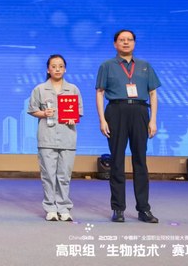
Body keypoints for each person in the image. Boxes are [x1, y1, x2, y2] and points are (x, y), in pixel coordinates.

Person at [96, 29, 161, 223]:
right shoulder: (107, 66)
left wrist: (153, 120)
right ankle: (118, 209)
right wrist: (102, 119)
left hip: (140, 111)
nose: (126, 42)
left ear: (134, 43)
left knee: (140, 160)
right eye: (122, 40)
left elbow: (153, 94)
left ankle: (144, 209)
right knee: (116, 160)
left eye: (129, 39)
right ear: (115, 44)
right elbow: (100, 93)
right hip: (116, 111)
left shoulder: (144, 66)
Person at [28, 55, 83, 222]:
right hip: (47, 137)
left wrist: (73, 118)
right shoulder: (40, 89)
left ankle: (64, 208)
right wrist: (43, 113)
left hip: (67, 137)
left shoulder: (73, 89)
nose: (57, 69)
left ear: (65, 69)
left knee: (64, 175)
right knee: (48, 175)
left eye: (60, 66)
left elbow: (79, 112)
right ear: (48, 69)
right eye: (53, 66)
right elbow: (32, 110)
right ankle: (50, 208)